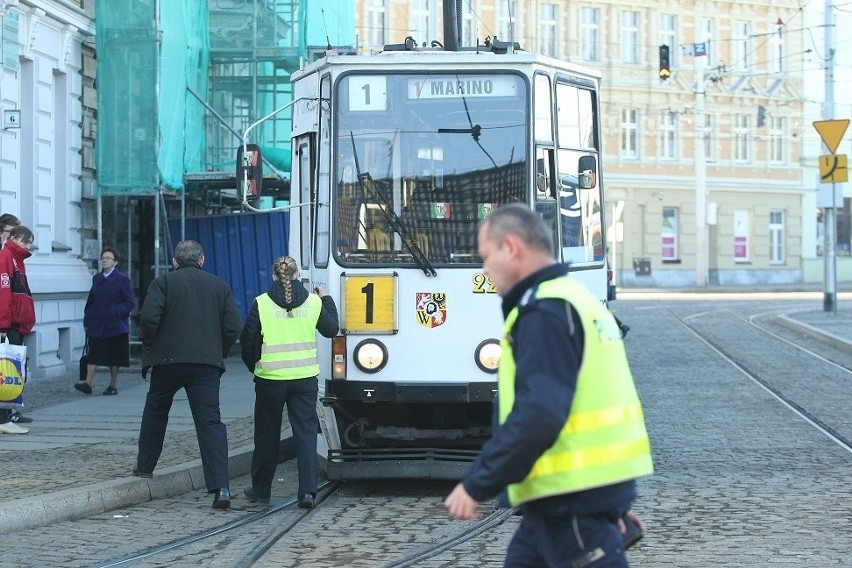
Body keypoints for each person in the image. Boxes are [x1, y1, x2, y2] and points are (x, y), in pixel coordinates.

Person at [444, 204, 654, 567]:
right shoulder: (577, 299)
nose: (484, 269)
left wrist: (477, 483)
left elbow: (539, 413)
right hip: (565, 503)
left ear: (511, 247)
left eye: (486, 256)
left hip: (571, 503)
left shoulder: (545, 312)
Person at [135, 240, 241, 509]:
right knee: (210, 423)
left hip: (167, 362)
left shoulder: (163, 283)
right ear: (202, 260)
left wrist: (151, 344)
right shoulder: (219, 285)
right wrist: (219, 352)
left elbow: (148, 318)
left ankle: (145, 466)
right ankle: (221, 487)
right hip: (205, 365)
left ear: (175, 261)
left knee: (156, 411)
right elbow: (233, 326)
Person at [240, 255, 339, 508]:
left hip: (270, 380)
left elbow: (248, 341)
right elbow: (331, 329)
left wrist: (255, 366)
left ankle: (261, 490)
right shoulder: (314, 302)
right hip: (304, 379)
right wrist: (326, 298)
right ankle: (307, 493)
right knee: (305, 435)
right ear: (297, 276)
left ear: (274, 276)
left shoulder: (261, 303)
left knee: (266, 436)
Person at [75, 246, 136, 395]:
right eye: (103, 258)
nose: (104, 260)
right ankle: (87, 384)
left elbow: (130, 302)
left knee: (114, 357)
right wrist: (86, 321)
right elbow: (91, 301)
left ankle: (112, 385)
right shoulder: (97, 278)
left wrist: (115, 312)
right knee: (93, 354)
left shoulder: (122, 280)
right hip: (97, 323)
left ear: (115, 262)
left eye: (108, 258)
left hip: (115, 325)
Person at [0, 225, 35, 434]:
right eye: (25, 241)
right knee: (7, 371)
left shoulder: (17, 259)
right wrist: (3, 324)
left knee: (11, 371)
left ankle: (6, 416)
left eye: (29, 242)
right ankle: (4, 419)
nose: (28, 246)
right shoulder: (7, 257)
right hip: (10, 325)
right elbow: (4, 292)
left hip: (16, 324)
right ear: (13, 238)